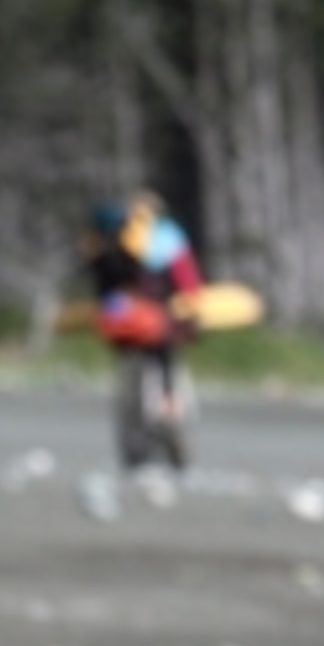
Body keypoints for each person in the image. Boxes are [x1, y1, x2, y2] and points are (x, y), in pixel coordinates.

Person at [81, 194, 206, 470]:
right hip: (157, 332)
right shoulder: (166, 242)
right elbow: (187, 287)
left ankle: (144, 448)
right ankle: (166, 436)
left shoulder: (112, 246)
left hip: (140, 334)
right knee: (164, 388)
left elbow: (107, 292)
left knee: (137, 396)